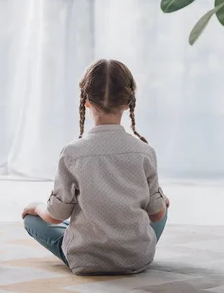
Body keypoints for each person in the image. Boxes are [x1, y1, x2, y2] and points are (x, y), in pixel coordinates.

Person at [21, 59, 169, 275]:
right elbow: (156, 215)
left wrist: (35, 207)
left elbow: (55, 215)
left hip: (85, 260)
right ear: (129, 102)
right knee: (161, 205)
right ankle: (132, 244)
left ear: (86, 101)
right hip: (137, 258)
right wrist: (161, 200)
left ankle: (82, 239)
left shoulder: (72, 153)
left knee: (33, 220)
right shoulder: (145, 152)